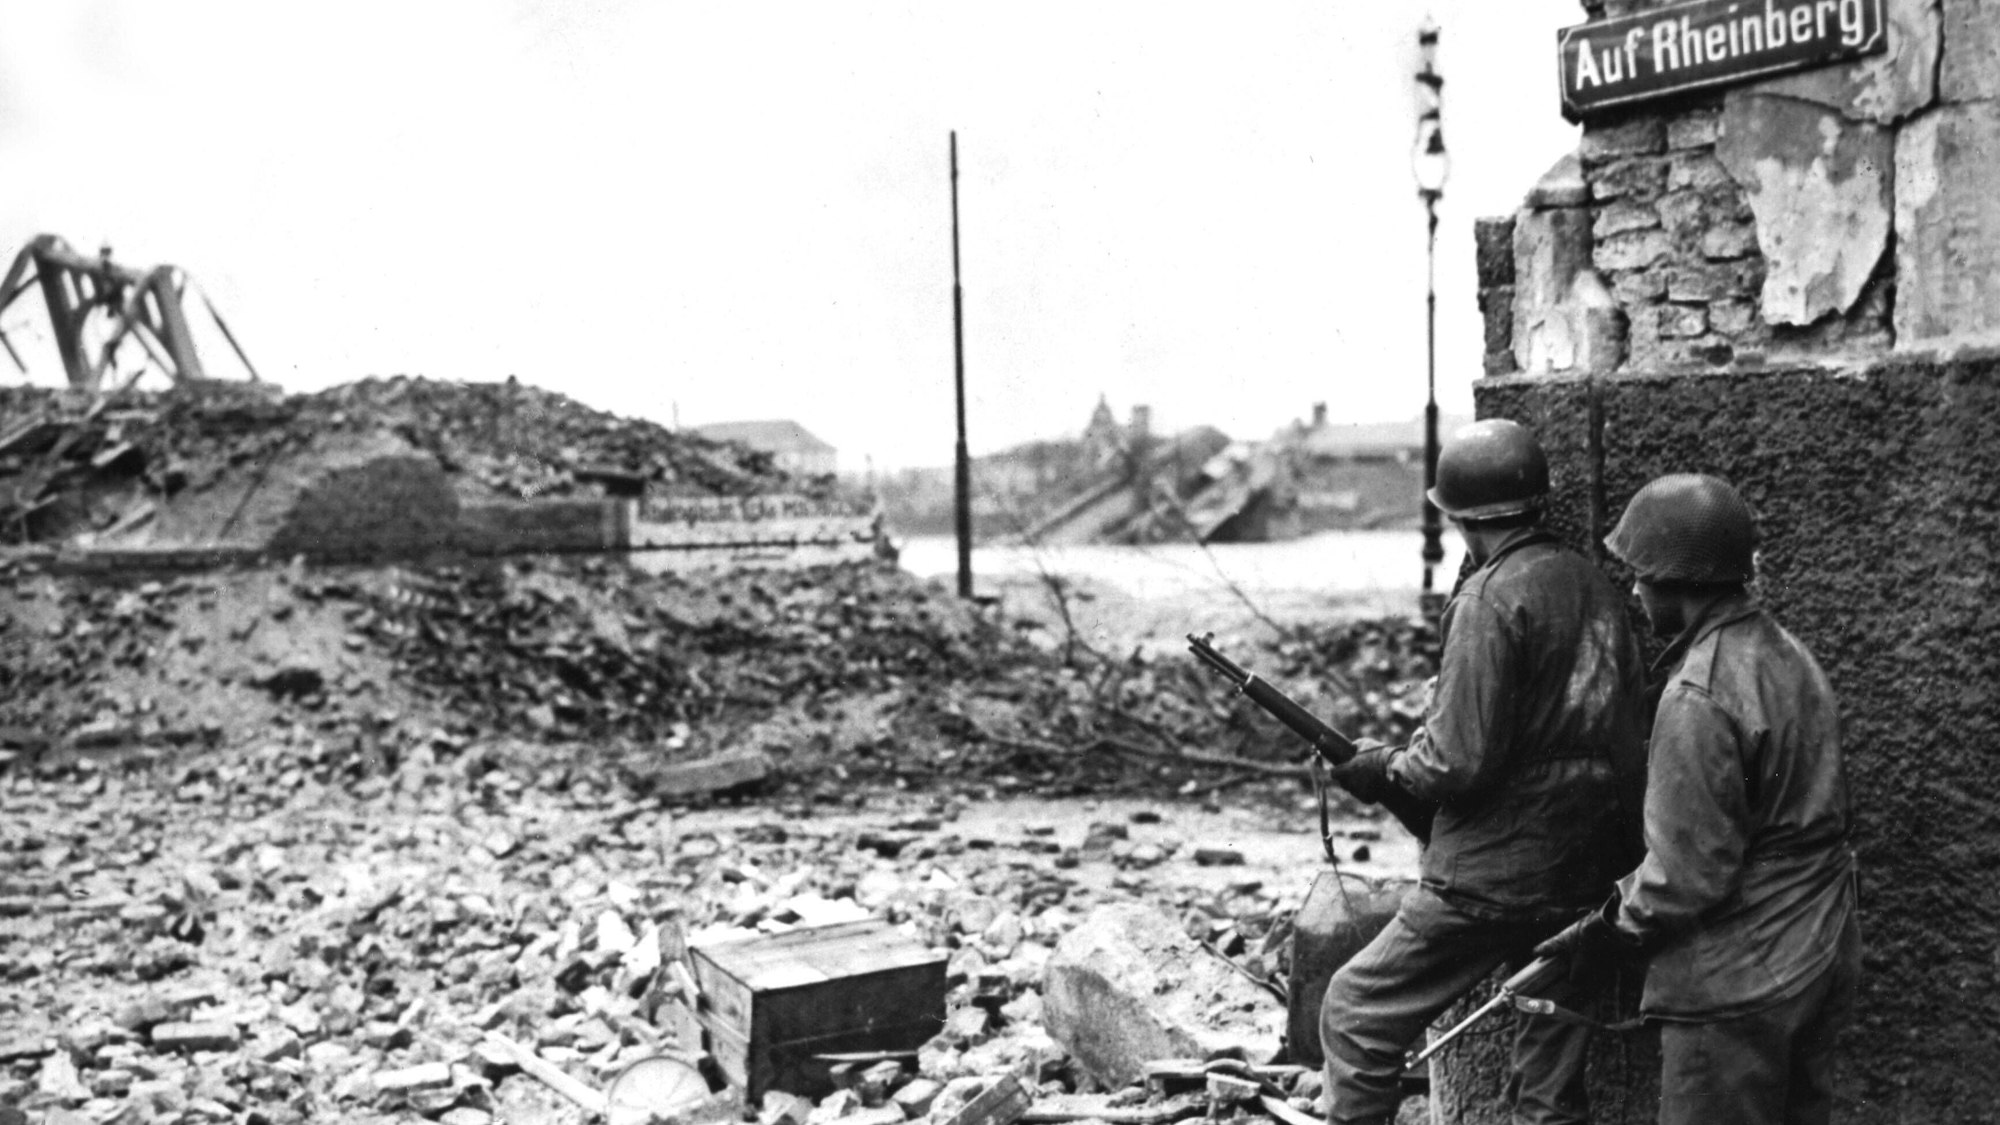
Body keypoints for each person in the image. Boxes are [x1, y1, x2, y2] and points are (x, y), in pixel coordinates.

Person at [1322, 419, 1647, 1125]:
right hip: (1590, 871)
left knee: (1356, 1009)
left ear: (1462, 518)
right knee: (1547, 1080)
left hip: (1492, 877)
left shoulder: (1488, 598)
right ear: (1535, 504)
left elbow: (1456, 762)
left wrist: (1384, 767)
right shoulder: (1597, 586)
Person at [1535, 474, 1861, 1125]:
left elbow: (1686, 875)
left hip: (1737, 978)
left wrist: (1601, 933)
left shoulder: (1697, 694)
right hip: (1821, 949)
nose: (1633, 590)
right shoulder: (1788, 653)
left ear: (1677, 579)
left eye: (1640, 575)